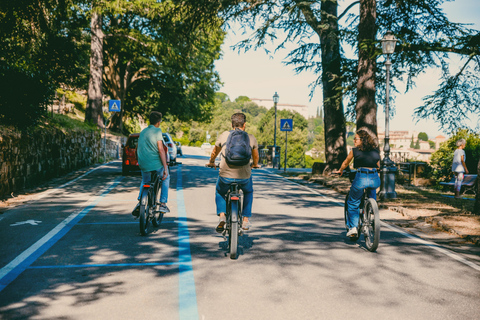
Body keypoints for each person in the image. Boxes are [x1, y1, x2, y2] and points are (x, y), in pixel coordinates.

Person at [206, 113, 260, 232]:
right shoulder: (250, 137)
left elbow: (215, 151)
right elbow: (256, 156)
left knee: (220, 192)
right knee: (248, 191)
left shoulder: (224, 135)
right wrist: (255, 165)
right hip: (244, 177)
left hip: (225, 177)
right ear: (244, 125)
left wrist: (211, 162)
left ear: (232, 124)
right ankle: (245, 220)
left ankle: (222, 216)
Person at [333, 129, 381, 238]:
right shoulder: (375, 151)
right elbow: (378, 165)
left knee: (353, 202)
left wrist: (340, 170)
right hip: (374, 178)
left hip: (361, 177)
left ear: (362, 140)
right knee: (371, 188)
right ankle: (372, 209)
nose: (354, 141)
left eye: (356, 139)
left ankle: (353, 227)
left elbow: (346, 162)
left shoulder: (354, 151)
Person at [132, 111, 170, 216]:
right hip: (156, 164)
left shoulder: (143, 132)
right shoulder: (157, 131)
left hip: (143, 163)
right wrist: (165, 167)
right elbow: (161, 150)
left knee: (145, 181)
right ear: (159, 122)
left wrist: (138, 161)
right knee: (166, 178)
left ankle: (140, 202)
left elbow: (137, 148)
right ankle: (163, 203)